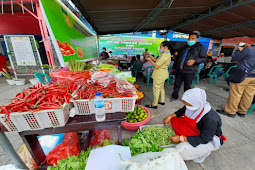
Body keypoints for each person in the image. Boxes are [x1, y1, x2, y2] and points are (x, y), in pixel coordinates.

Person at [163, 88, 225, 163]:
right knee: (174, 121)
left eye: (189, 105)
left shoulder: (210, 119)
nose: (187, 106)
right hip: (196, 130)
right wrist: (170, 116)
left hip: (209, 140)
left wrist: (181, 138)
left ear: (196, 103)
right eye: (186, 104)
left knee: (180, 151)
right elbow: (182, 110)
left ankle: (203, 153)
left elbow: (204, 139)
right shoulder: (194, 105)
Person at [217, 43, 255, 118]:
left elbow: (234, 58)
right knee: (248, 95)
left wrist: (240, 49)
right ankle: (242, 111)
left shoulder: (249, 50)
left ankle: (231, 111)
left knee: (236, 93)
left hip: (243, 75)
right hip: (254, 78)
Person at [172, 31, 207, 101]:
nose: (190, 40)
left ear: (197, 39)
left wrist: (194, 61)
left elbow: (204, 58)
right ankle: (174, 96)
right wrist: (174, 68)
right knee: (176, 84)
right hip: (179, 69)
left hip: (190, 71)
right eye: (189, 38)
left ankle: (186, 98)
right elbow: (178, 58)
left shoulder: (200, 47)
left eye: (193, 38)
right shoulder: (184, 47)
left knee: (187, 86)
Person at [144, 41, 172, 109]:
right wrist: (150, 55)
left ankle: (154, 104)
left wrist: (150, 60)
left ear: (165, 47)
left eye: (160, 46)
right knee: (161, 87)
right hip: (163, 73)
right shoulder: (166, 54)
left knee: (156, 89)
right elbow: (157, 60)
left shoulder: (165, 55)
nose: (159, 48)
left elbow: (156, 66)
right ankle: (162, 100)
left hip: (159, 74)